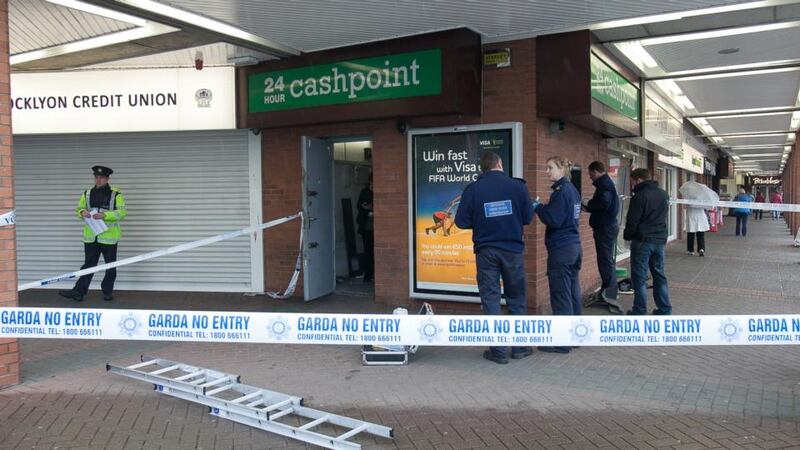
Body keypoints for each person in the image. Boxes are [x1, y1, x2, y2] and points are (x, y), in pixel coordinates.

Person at [455, 151, 534, 364]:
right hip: (513, 251)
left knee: (490, 298)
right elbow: (528, 217)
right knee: (516, 297)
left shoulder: (473, 190)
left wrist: (481, 221)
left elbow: (461, 222)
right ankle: (520, 347)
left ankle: (498, 351)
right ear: (500, 164)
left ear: (483, 168)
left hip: (486, 251)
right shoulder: (518, 187)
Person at [533, 156, 583, 353]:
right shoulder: (573, 190)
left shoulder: (561, 192)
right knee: (572, 292)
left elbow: (554, 219)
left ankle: (562, 342)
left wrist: (538, 208)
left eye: (550, 168)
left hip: (561, 249)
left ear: (561, 169)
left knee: (561, 295)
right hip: (574, 247)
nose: (547, 172)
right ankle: (578, 336)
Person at [58, 166, 127, 302]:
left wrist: (105, 215)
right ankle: (79, 292)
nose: (98, 180)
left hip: (109, 237)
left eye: (101, 177)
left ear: (107, 179)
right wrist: (82, 212)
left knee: (110, 266)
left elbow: (122, 212)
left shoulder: (116, 194)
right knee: (88, 265)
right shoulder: (87, 193)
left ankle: (107, 292)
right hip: (91, 236)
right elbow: (79, 208)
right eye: (96, 177)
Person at [624, 168, 671, 316]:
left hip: (642, 241)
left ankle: (639, 310)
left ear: (638, 180)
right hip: (659, 240)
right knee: (659, 275)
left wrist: (627, 235)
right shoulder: (664, 194)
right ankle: (664, 309)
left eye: (632, 181)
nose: (631, 185)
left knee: (639, 277)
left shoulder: (639, 196)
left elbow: (632, 220)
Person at [582, 161, 622, 314]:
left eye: (590, 173)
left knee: (605, 261)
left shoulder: (604, 185)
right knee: (606, 260)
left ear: (597, 171)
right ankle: (607, 292)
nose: (589, 176)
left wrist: (589, 203)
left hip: (605, 229)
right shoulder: (606, 183)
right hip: (608, 227)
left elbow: (603, 203)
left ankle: (610, 295)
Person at [357, 174, 374, 282]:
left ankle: (372, 273)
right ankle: (368, 274)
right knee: (368, 250)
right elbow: (359, 205)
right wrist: (368, 207)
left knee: (374, 250)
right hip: (367, 226)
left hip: (375, 226)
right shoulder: (365, 192)